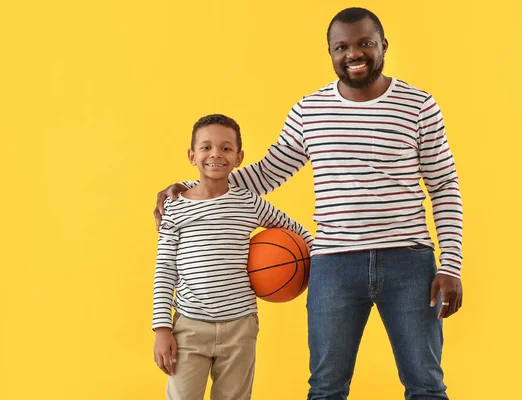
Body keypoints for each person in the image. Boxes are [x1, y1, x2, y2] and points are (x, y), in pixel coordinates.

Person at [154, 8, 463, 400]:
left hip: (409, 262)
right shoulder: (310, 110)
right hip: (333, 264)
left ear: (383, 45)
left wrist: (451, 265)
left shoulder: (419, 105)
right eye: (342, 47)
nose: (355, 54)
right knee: (326, 388)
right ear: (331, 52)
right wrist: (188, 188)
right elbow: (267, 173)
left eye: (365, 43)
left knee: (427, 386)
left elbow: (444, 184)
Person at [152, 114, 313, 400]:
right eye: (206, 147)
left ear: (239, 157)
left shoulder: (248, 202)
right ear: (191, 155)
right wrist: (162, 328)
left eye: (226, 149)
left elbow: (296, 231)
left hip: (240, 326)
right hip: (189, 326)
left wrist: (322, 260)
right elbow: (165, 269)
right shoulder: (174, 208)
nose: (215, 154)